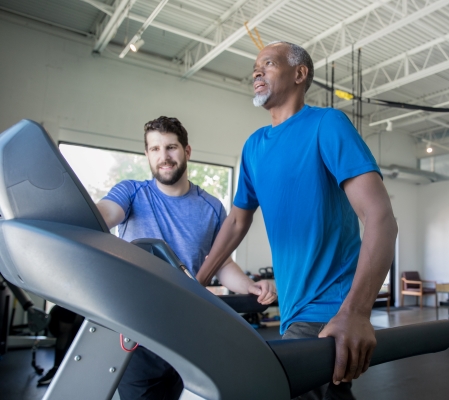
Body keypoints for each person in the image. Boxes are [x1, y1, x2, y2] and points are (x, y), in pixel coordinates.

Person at [197, 42, 397, 399]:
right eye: (255, 68)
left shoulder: (327, 124)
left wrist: (356, 311)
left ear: (300, 74)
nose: (256, 72)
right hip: (291, 308)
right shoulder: (254, 146)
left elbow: (380, 217)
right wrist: (196, 281)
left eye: (268, 64)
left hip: (328, 307)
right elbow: (237, 222)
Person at [96, 116, 277, 400]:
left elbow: (222, 263)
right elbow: (104, 215)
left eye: (171, 147)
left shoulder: (211, 207)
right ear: (147, 154)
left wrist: (250, 285)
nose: (163, 157)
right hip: (138, 334)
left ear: (187, 151)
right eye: (154, 149)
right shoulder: (131, 193)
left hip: (189, 333)